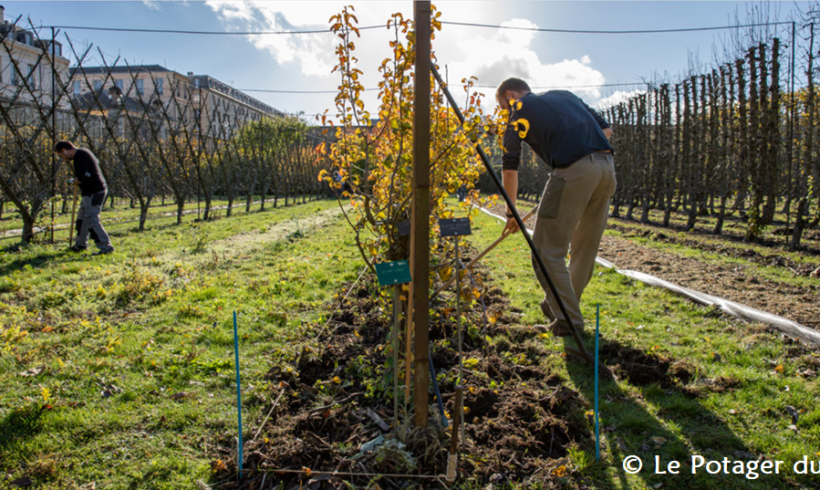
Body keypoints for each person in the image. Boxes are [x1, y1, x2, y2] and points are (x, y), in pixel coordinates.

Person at [496, 78, 615, 337]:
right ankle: (557, 306)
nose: (506, 112)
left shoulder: (519, 109)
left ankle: (568, 321)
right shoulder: (565, 95)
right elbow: (606, 131)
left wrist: (511, 212)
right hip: (606, 170)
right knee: (584, 249)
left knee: (546, 250)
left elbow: (509, 165)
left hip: (573, 171)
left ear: (509, 94)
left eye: (503, 106)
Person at [54, 141, 115, 256]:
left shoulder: (79, 156)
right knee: (82, 218)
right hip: (91, 191)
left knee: (92, 219)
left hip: (94, 191)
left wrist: (71, 181)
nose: (63, 158)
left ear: (64, 150)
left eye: (61, 155)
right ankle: (80, 244)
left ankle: (106, 247)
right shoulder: (84, 151)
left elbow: (83, 177)